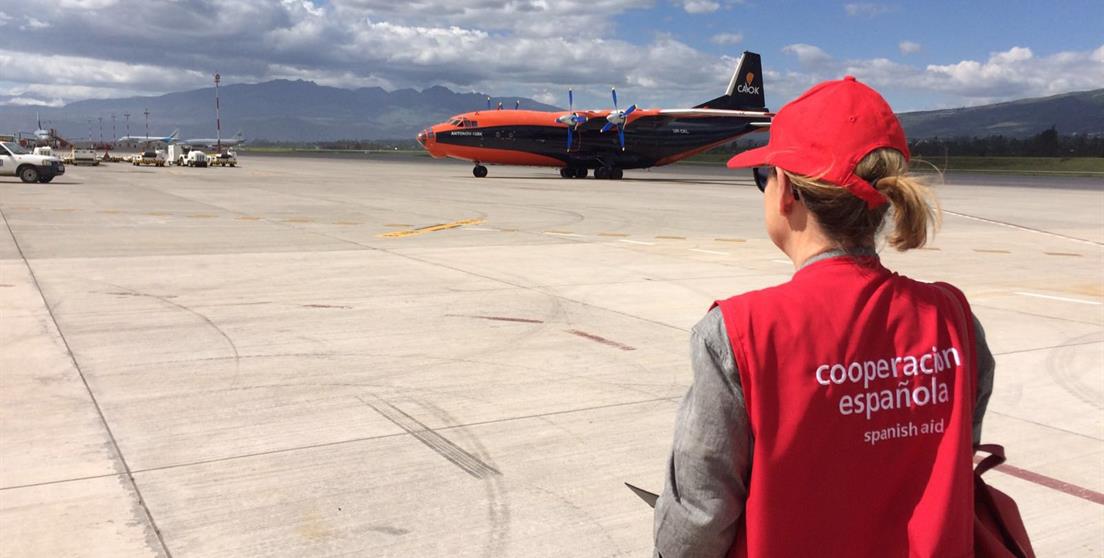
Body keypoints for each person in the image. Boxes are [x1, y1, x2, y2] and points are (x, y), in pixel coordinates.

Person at [653, 76, 995, 558]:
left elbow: (698, 518)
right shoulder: (953, 319)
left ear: (786, 190)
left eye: (764, 176)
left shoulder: (739, 332)